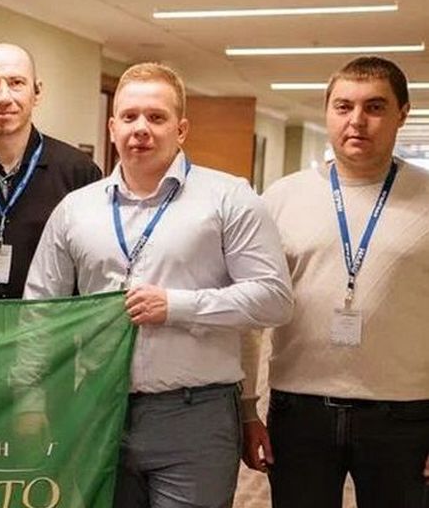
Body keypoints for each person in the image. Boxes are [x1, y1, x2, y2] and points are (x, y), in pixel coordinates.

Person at [24, 62, 293, 508]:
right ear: (112, 127)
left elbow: (274, 298)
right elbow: (39, 311)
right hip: (97, 411)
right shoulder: (75, 210)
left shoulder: (229, 198)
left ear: (181, 129)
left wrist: (176, 306)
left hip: (195, 416)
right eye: (129, 117)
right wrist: (31, 398)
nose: (141, 129)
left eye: (156, 117)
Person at [240, 56, 429, 507]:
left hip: (404, 414)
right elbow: (251, 314)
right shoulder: (281, 199)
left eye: (375, 107)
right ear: (327, 111)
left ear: (402, 113)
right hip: (299, 410)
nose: (357, 120)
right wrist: (247, 408)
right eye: (343, 106)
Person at [0, 43, 102, 299]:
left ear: (37, 92)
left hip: (46, 323)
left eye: (16, 83)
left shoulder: (79, 174)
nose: (3, 98)